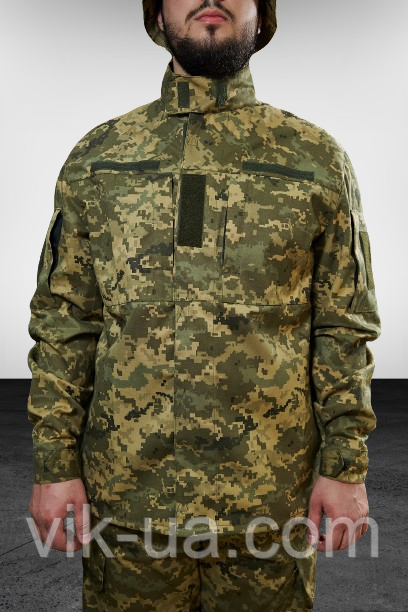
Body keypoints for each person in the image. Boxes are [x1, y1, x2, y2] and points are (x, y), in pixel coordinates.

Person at [27, 1, 381, 610]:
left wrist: (346, 465)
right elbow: (66, 322)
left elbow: (342, 325)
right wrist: (54, 463)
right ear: (156, 11)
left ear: (262, 10)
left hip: (269, 506)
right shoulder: (100, 159)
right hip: (128, 504)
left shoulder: (314, 160)